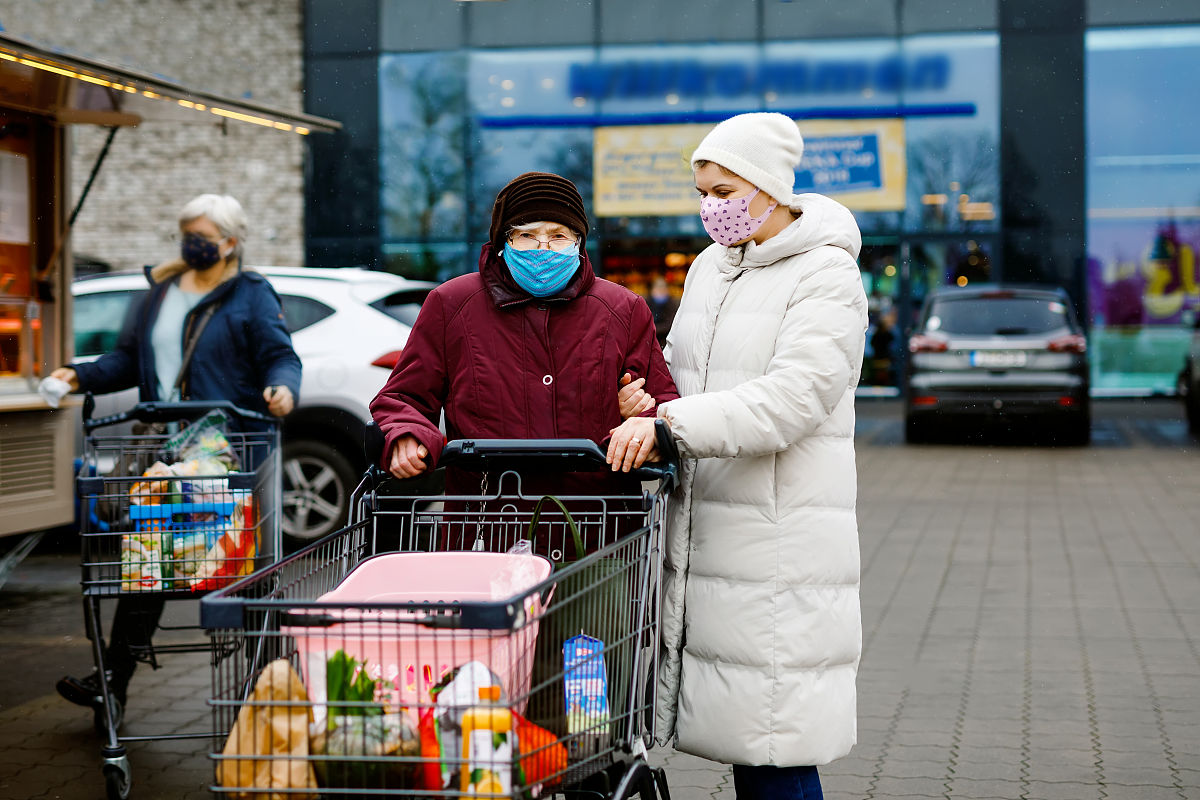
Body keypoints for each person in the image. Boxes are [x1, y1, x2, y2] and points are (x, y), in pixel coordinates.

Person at [607, 113, 867, 800]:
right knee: (747, 730)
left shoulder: (827, 274)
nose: (710, 207)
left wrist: (671, 425)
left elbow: (792, 399)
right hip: (713, 527)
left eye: (724, 189)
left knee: (774, 743)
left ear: (768, 186)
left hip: (780, 541)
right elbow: (684, 371)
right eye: (702, 191)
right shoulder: (710, 269)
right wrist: (648, 397)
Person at [52, 193, 302, 725]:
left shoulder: (251, 295)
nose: (191, 244)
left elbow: (279, 354)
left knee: (246, 572)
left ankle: (266, 688)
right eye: (185, 233)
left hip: (227, 454)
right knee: (152, 565)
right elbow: (126, 359)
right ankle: (113, 684)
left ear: (231, 243)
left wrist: (282, 388)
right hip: (168, 460)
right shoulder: (159, 293)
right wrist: (78, 373)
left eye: (202, 236)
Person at [370, 171, 678, 514]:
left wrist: (642, 422)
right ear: (504, 242)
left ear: (578, 242)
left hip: (596, 528)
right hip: (489, 527)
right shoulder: (452, 304)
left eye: (558, 235)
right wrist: (407, 435)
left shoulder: (623, 309)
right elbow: (404, 397)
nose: (543, 248)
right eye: (527, 235)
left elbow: (666, 409)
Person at [647, 274, 679, 346]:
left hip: (666, 341)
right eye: (658, 289)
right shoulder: (647, 302)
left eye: (663, 289)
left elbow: (670, 324)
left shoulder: (672, 304)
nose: (660, 292)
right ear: (653, 290)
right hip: (650, 341)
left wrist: (653, 329)